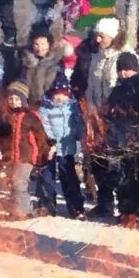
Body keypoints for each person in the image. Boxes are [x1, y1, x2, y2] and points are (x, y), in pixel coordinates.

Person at [100, 52, 139, 229]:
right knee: (121, 177)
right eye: (121, 70)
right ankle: (127, 210)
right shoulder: (117, 91)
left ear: (135, 69)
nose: (124, 74)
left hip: (138, 139)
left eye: (128, 70)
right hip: (119, 139)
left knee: (136, 176)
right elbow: (109, 112)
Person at [0, 81, 50, 220]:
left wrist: (44, 153)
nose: (13, 102)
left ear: (23, 100)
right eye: (11, 99)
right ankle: (19, 209)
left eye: (17, 99)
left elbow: (41, 136)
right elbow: (3, 137)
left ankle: (23, 211)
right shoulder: (6, 117)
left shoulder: (30, 116)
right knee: (13, 183)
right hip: (11, 156)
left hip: (26, 156)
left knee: (19, 183)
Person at [37, 74, 85, 219]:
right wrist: (50, 141)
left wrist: (80, 134)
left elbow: (77, 122)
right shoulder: (45, 107)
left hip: (67, 147)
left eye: (64, 94)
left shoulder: (72, 106)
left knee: (69, 176)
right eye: (57, 94)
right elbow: (44, 125)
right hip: (49, 148)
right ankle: (47, 204)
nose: (60, 97)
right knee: (47, 176)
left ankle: (76, 206)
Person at [19, 28, 65, 107]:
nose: (40, 48)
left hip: (49, 104)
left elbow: (61, 82)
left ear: (49, 45)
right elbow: (18, 81)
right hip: (28, 103)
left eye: (43, 44)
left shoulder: (56, 62)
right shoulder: (24, 61)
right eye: (36, 44)